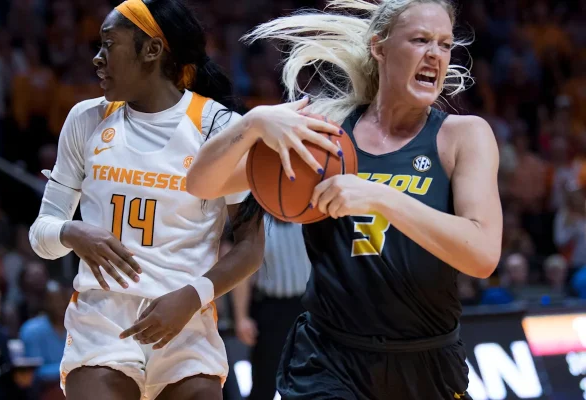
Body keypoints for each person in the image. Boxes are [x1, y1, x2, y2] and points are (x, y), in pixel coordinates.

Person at [186, 0, 503, 398]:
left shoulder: (463, 135)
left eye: (444, 44)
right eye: (421, 40)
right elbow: (201, 184)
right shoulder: (326, 133)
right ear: (379, 47)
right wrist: (252, 124)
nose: (435, 54)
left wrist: (381, 198)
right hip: (330, 359)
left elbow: (483, 255)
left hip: (427, 358)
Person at [28, 0, 271, 399]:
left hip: (186, 320)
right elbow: (43, 234)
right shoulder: (86, 119)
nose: (97, 58)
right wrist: (72, 233)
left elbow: (251, 247)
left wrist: (193, 296)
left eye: (109, 44)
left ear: (152, 50)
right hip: (102, 322)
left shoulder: (219, 125)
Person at [232, 215, 310, 400]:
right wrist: (241, 317)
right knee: (264, 381)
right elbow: (243, 273)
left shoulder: (308, 217)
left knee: (306, 379)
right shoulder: (258, 222)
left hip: (306, 308)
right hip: (271, 309)